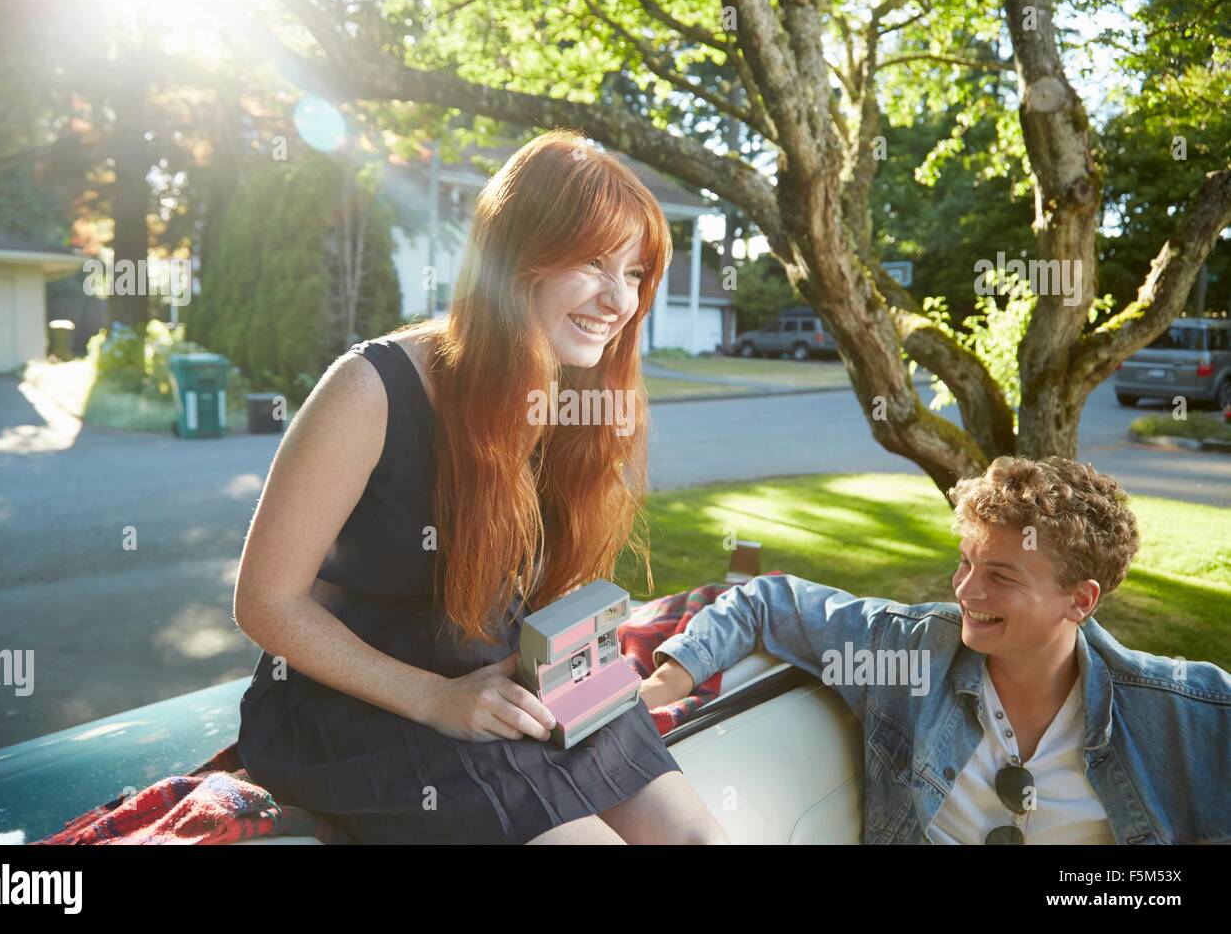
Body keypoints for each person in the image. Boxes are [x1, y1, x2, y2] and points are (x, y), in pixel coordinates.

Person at [233, 128, 727, 845]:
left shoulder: (574, 393)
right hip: (357, 701)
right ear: (517, 257)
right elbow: (264, 601)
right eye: (593, 261)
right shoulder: (371, 387)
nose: (619, 299)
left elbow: (542, 590)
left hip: (505, 675)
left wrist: (566, 659)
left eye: (637, 271)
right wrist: (434, 698)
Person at [642, 456, 1231, 844]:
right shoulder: (912, 651)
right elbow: (768, 601)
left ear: (1079, 600)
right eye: (965, 562)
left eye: (1001, 576)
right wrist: (663, 684)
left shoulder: (1182, 711)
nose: (966, 591)